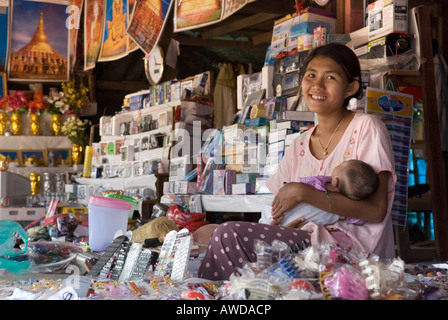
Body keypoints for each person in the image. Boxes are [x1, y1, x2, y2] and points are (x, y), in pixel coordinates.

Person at [197, 43, 397, 281]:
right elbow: (279, 204)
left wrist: (304, 193)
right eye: (311, 75)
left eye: (330, 77)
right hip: (303, 245)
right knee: (205, 234)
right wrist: (277, 228)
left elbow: (375, 211)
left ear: (351, 87)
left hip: (350, 252)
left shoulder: (367, 128)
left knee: (230, 234)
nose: (317, 85)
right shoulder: (300, 144)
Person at [259, 159, 379, 226]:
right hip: (291, 227)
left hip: (275, 213)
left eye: (341, 165)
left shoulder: (319, 183)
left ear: (335, 181)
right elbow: (359, 220)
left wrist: (289, 186)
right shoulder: (344, 211)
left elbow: (294, 187)